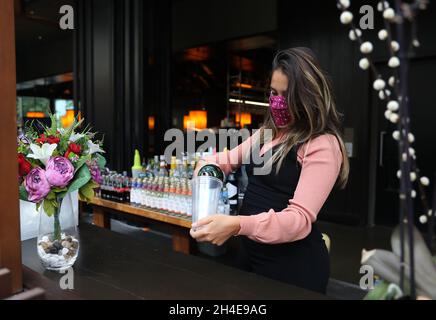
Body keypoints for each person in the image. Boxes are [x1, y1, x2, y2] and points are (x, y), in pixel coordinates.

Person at [190, 47, 349, 294]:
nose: (277, 102)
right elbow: (226, 159)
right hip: (249, 254)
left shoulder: (321, 145)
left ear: (307, 97)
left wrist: (237, 224)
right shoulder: (266, 134)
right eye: (273, 93)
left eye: (286, 95)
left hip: (292, 267)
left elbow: (298, 221)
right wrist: (206, 169)